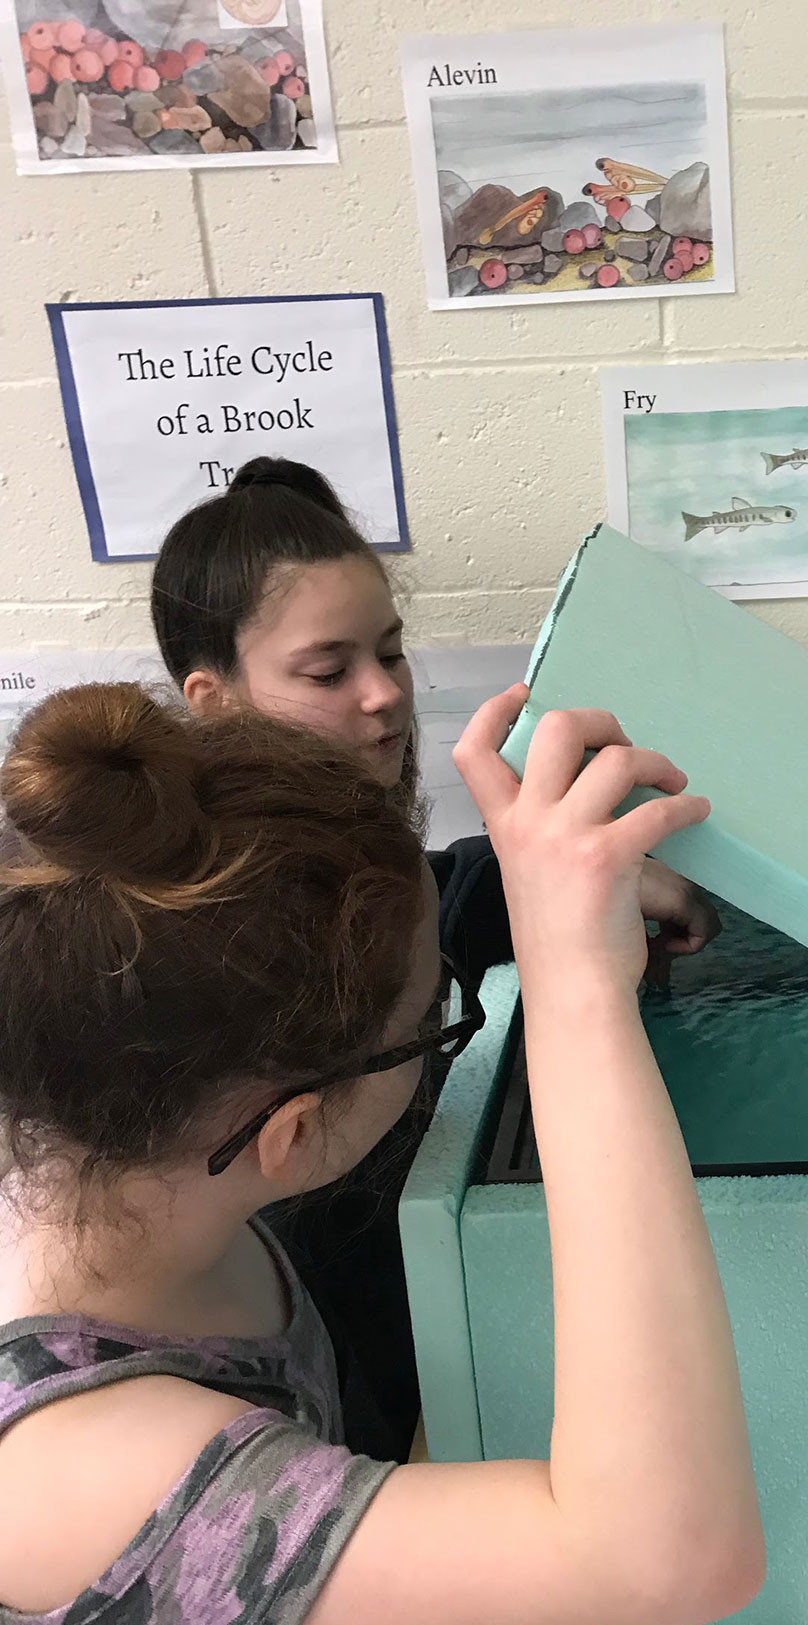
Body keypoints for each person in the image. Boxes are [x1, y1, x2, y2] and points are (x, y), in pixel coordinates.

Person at [0, 682, 763, 1625]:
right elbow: (668, 1552)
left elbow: (183, 1612)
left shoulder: (105, 1178)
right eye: (436, 1020)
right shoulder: (68, 1466)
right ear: (291, 1136)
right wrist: (573, 993)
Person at [150, 458, 720, 1464]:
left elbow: (435, 889)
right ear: (215, 698)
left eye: (392, 652)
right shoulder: (209, 952)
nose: (383, 697)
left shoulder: (380, 873)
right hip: (329, 1421)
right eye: (328, 672)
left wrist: (566, 883)